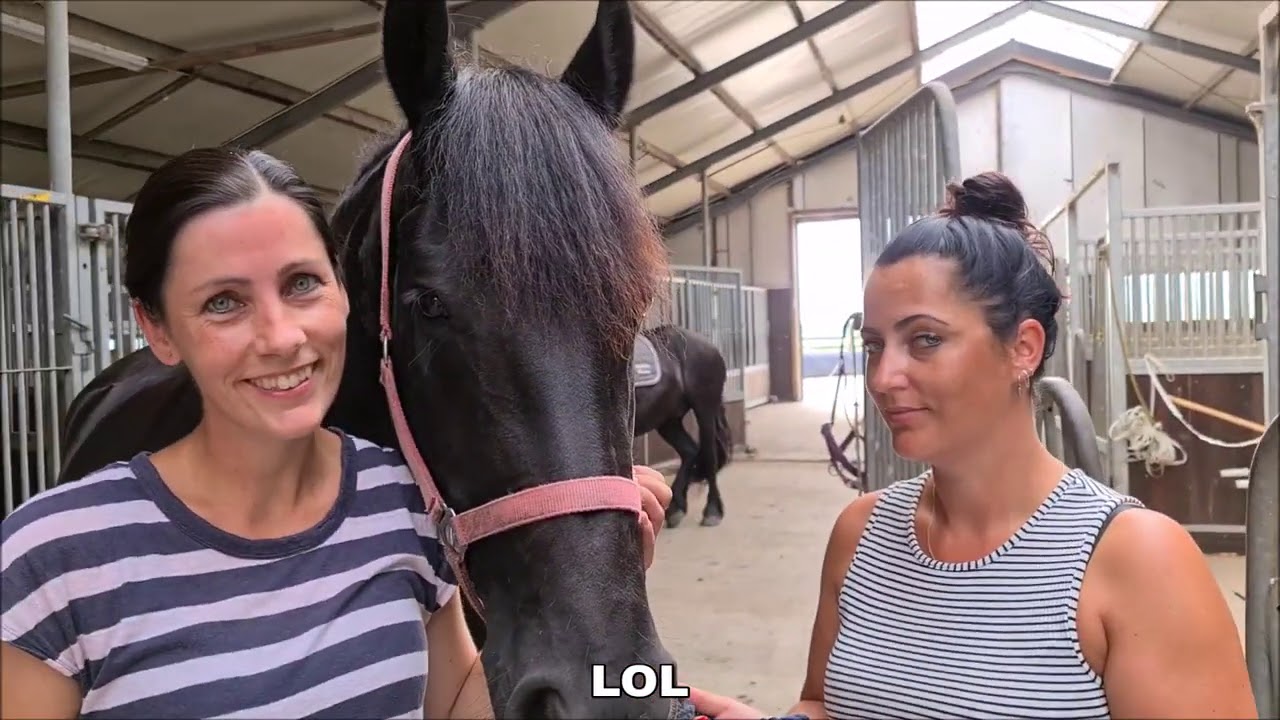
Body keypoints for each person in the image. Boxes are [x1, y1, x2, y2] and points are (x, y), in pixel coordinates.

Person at [0, 146, 673, 719]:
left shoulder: (401, 503)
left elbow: (462, 698)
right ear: (157, 329)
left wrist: (602, 594)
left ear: (346, 290)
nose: (282, 337)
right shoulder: (50, 558)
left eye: (301, 284)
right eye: (223, 302)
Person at [688, 171, 1257, 720]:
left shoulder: (1137, 560)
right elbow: (823, 702)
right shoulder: (861, 535)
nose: (884, 377)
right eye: (875, 345)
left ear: (1023, 348)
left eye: (926, 340)